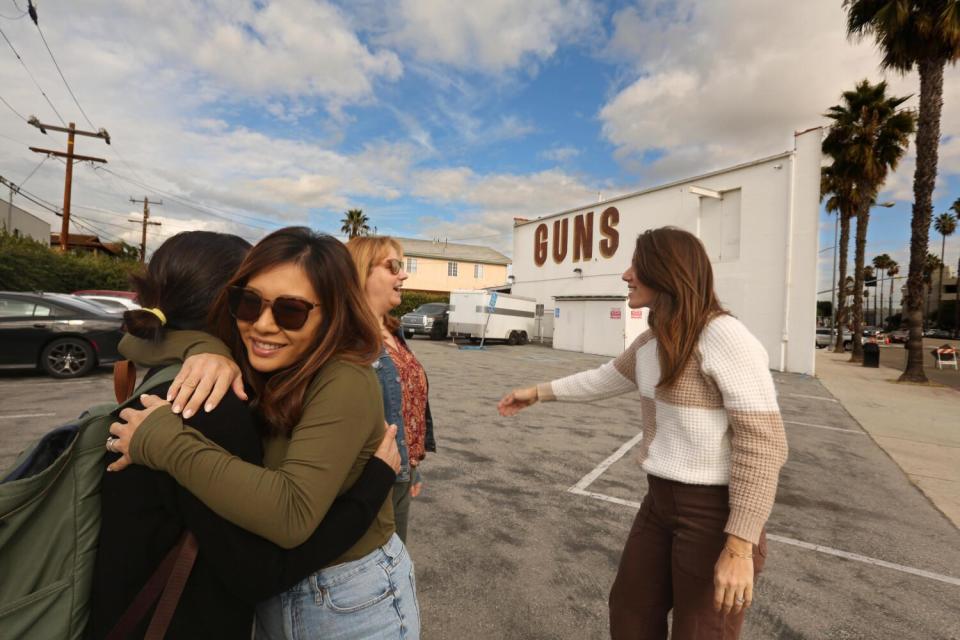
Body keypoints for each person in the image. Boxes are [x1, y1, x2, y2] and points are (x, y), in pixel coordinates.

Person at [107, 227, 420, 639]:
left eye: (291, 310)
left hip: (350, 598)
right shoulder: (265, 357)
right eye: (247, 302)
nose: (263, 325)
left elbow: (290, 513)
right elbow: (137, 340)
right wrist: (207, 349)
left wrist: (165, 443)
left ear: (334, 312)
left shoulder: (343, 378)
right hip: (288, 591)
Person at [498, 227, 788, 640]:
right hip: (660, 503)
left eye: (638, 265)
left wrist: (739, 546)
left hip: (714, 513)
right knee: (631, 612)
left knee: (701, 631)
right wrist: (539, 393)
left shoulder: (724, 337)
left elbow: (763, 444)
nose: (626, 275)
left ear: (667, 272)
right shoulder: (653, 340)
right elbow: (605, 379)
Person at [347, 235, 437, 542]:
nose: (404, 274)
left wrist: (413, 468)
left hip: (401, 473)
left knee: (396, 559)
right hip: (372, 479)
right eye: (394, 266)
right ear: (362, 272)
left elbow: (407, 404)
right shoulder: (347, 339)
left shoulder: (393, 331)